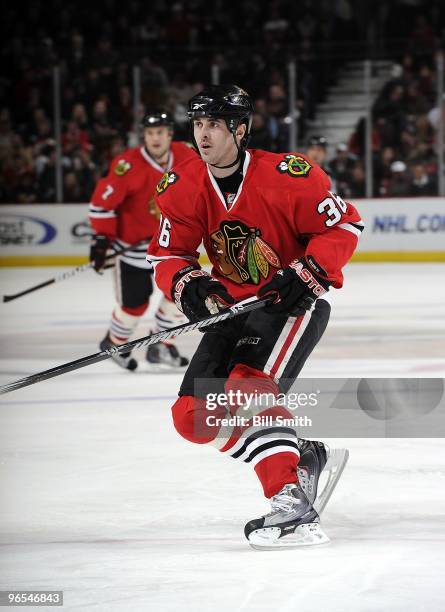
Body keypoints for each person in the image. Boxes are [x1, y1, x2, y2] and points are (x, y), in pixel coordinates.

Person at [148, 85, 363, 549]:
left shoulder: (289, 175)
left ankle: (290, 501)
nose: (202, 135)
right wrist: (190, 285)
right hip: (230, 314)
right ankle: (300, 456)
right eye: (198, 125)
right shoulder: (183, 185)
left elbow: (343, 225)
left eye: (213, 126)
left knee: (245, 388)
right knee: (192, 418)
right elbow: (167, 255)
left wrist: (307, 271)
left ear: (239, 130)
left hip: (287, 307)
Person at [89, 110, 196, 370]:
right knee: (135, 305)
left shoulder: (187, 155)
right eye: (150, 133)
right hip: (133, 250)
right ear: (143, 136)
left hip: (172, 246)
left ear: (170, 134)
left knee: (182, 293)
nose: (155, 138)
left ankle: (161, 344)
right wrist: (102, 239)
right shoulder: (127, 165)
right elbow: (101, 205)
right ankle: (114, 341)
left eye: (160, 132)